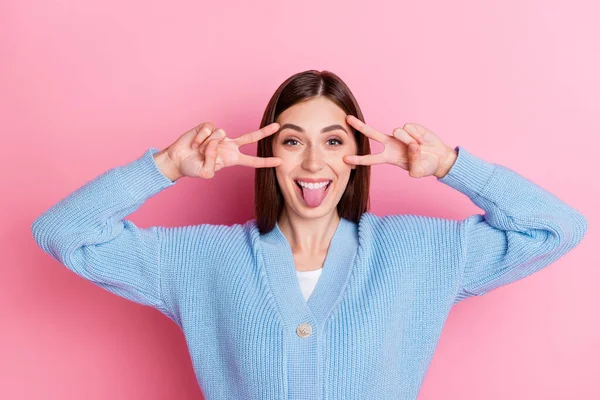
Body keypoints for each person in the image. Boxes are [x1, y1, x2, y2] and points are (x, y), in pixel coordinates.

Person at [31, 70, 588, 399]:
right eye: (293, 141)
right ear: (271, 153)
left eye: (334, 141)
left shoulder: (422, 252)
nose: (314, 162)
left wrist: (451, 167)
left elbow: (557, 229)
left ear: (358, 154)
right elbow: (64, 233)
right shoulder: (203, 259)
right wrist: (166, 166)